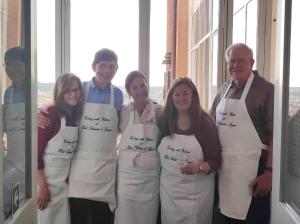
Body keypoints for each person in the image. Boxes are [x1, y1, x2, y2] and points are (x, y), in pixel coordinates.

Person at [210, 43, 274, 224]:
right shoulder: (223, 90)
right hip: (225, 174)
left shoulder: (266, 90)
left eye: (241, 61)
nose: (235, 65)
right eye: (231, 61)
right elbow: (209, 123)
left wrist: (270, 172)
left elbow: (275, 136)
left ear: (251, 62)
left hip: (255, 175)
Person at [157, 77, 222, 224]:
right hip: (169, 192)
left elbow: (216, 161)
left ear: (193, 96)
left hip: (196, 196)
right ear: (171, 97)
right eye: (177, 94)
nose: (181, 98)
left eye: (185, 93)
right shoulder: (164, 121)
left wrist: (198, 167)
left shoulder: (204, 124)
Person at [114, 71, 162, 224]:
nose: (140, 90)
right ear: (129, 92)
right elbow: (111, 132)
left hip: (150, 179)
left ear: (148, 85)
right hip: (127, 177)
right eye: (134, 87)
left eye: (142, 85)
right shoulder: (124, 111)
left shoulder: (160, 111)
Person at [37, 73, 84, 224]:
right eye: (67, 91)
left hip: (63, 186)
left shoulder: (74, 116)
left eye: (76, 90)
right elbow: (36, 155)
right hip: (45, 183)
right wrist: (42, 186)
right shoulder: (50, 112)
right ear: (60, 92)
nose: (73, 94)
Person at [2, 47, 26, 219]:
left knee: (23, 212)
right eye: (7, 65)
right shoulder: (8, 94)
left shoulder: (32, 91)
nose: (11, 70)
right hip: (13, 161)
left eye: (16, 65)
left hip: (30, 164)